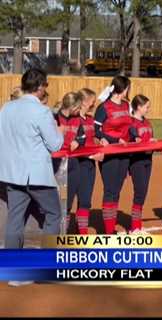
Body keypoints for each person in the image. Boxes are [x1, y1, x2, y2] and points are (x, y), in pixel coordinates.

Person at [0, 68, 64, 251]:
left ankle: (13, 268)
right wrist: (59, 133)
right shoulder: (42, 111)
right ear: (39, 87)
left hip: (11, 173)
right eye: (44, 85)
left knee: (15, 218)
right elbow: (55, 145)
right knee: (53, 214)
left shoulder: (6, 108)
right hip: (36, 175)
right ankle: (45, 264)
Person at [94, 76, 132, 234]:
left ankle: (111, 225)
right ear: (122, 89)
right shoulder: (104, 107)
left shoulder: (126, 105)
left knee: (116, 189)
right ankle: (108, 230)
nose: (128, 91)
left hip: (124, 152)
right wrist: (114, 139)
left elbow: (130, 126)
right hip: (110, 152)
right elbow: (97, 130)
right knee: (110, 190)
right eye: (128, 88)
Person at [68, 88, 99, 234]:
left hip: (89, 164)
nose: (94, 104)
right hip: (74, 164)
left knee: (85, 200)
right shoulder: (73, 120)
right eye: (92, 101)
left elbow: (96, 137)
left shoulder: (90, 119)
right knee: (68, 202)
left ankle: (82, 233)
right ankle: (64, 232)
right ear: (84, 102)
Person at [128, 95, 156, 234]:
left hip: (148, 159)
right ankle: (134, 227)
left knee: (143, 192)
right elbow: (133, 140)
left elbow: (150, 139)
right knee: (139, 192)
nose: (148, 109)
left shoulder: (147, 122)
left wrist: (159, 145)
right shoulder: (131, 123)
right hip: (136, 161)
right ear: (138, 107)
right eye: (146, 106)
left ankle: (137, 226)